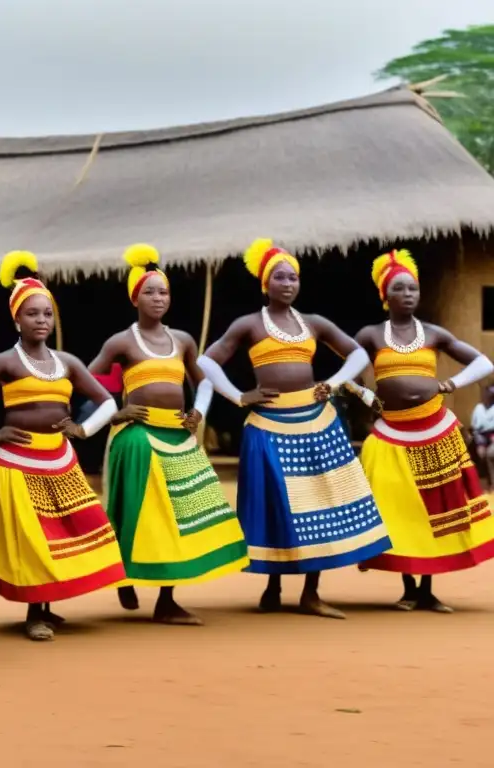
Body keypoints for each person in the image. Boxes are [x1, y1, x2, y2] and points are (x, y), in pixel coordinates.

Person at [196, 239, 389, 619]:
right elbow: (206, 361)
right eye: (280, 277)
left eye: (293, 277)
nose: (288, 283)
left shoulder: (314, 323)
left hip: (315, 421)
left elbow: (359, 354)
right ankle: (273, 587)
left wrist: (332, 384)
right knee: (280, 506)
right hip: (268, 424)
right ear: (265, 284)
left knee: (316, 504)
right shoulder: (248, 324)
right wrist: (238, 396)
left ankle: (311, 593)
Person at [0, 250, 124, 641]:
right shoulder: (4, 362)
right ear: (17, 319)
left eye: (47, 314)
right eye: (32, 314)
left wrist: (83, 429)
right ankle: (35, 613)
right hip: (14, 462)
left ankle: (48, 603)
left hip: (59, 458)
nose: (41, 320)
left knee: (72, 527)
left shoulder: (68, 362)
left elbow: (109, 402)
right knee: (34, 538)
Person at [89, 245, 248, 624]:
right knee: (136, 515)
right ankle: (124, 576)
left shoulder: (183, 340)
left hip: (178, 435)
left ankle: (166, 599)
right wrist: (115, 412)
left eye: (163, 292)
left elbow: (204, 381)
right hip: (138, 437)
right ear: (135, 297)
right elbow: (87, 380)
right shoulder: (121, 342)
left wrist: (199, 412)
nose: (158, 298)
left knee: (183, 514)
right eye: (150, 291)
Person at [347, 250, 494, 612]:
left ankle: (427, 588)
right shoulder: (370, 335)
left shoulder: (434, 334)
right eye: (399, 288)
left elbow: (483, 362)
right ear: (386, 296)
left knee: (435, 509)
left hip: (435, 430)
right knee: (399, 508)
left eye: (413, 288)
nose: (409, 293)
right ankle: (408, 586)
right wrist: (368, 397)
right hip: (391, 433)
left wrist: (450, 385)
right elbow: (347, 374)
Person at [470, 384, 494, 487]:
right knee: (481, 454)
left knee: (490, 454)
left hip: (493, 433)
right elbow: (474, 426)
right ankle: (486, 479)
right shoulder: (478, 407)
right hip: (480, 435)